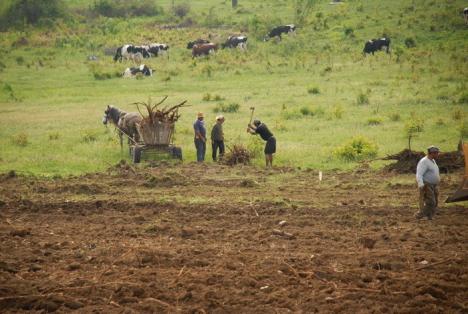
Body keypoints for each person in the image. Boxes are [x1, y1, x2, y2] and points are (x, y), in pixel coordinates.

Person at [415, 145, 440, 220]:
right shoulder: (424, 162)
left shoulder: (432, 161)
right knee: (431, 202)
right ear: (431, 153)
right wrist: (421, 184)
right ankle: (419, 215)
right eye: (436, 153)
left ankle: (430, 216)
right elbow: (419, 174)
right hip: (427, 184)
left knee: (435, 202)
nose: (437, 154)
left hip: (434, 185)